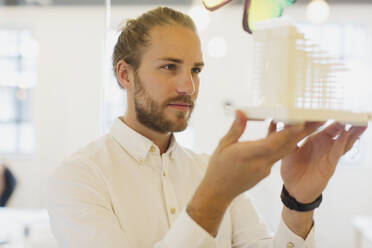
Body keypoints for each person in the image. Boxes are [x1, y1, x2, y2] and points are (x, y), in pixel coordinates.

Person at [47, 7, 367, 248]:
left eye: (196, 69)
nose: (188, 85)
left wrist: (299, 201)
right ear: (125, 75)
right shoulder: (78, 178)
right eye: (169, 67)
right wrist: (214, 195)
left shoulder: (207, 169)